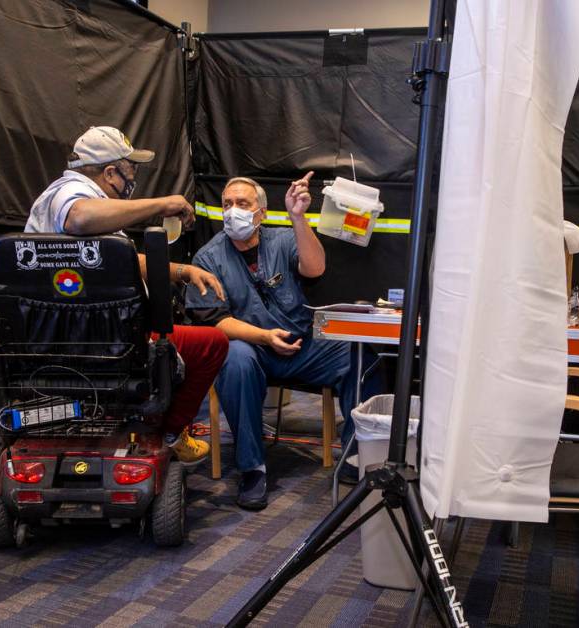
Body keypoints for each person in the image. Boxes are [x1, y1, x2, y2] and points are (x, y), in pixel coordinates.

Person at [25, 126, 229, 465]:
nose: (133, 178)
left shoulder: (96, 202)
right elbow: (79, 217)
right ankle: (169, 432)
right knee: (212, 344)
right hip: (94, 338)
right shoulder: (71, 192)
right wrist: (163, 203)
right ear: (109, 172)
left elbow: (119, 258)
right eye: (130, 168)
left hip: (95, 331)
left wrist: (182, 271)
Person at [191, 173, 372, 510]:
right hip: (254, 349)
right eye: (227, 204)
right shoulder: (207, 258)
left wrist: (298, 218)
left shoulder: (284, 239)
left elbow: (315, 269)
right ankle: (252, 468)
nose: (233, 211)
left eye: (242, 204)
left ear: (260, 212)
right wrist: (264, 337)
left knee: (359, 350)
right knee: (235, 357)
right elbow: (215, 320)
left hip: (304, 346)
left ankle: (357, 452)